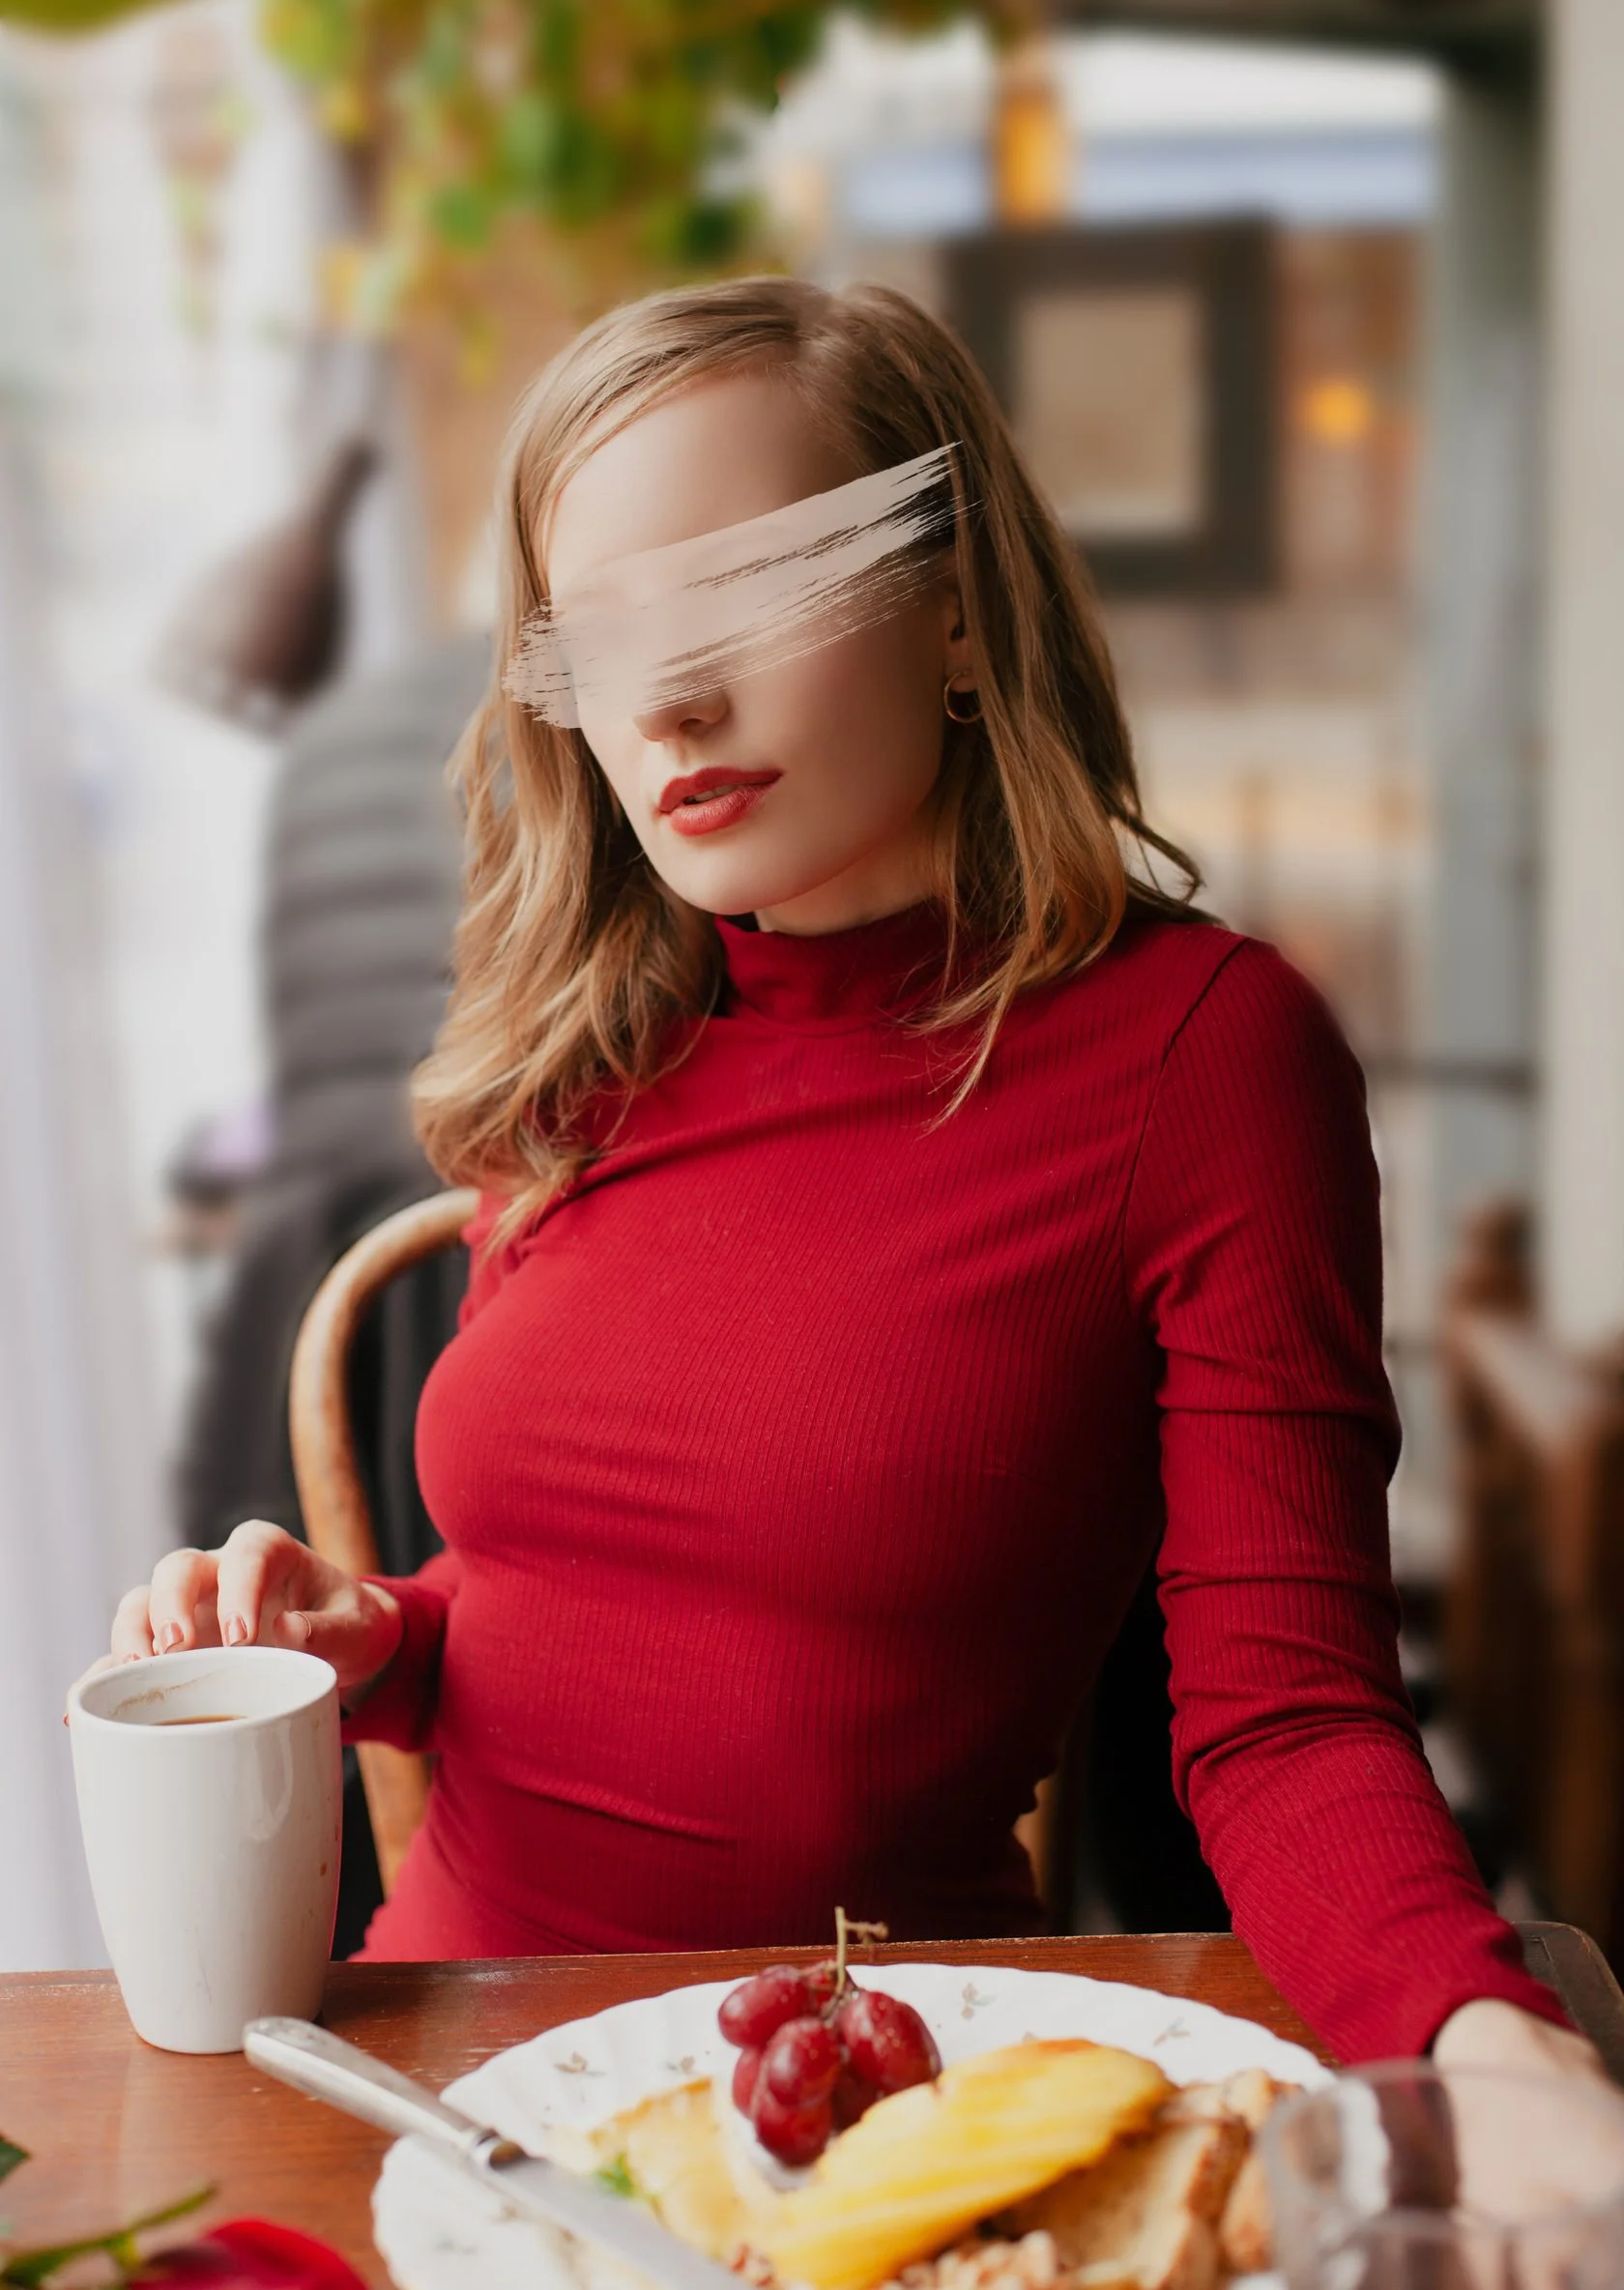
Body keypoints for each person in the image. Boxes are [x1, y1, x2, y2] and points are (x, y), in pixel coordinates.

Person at [104, 277, 1605, 2089]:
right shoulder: (596, 1039)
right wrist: (385, 1640)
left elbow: (1286, 1720)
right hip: (427, 2067)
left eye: (749, 586)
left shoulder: (1201, 1058)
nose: (667, 698)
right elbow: (590, 1606)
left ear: (957, 612)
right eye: (598, 636)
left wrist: (1502, 2060)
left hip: (838, 2101)